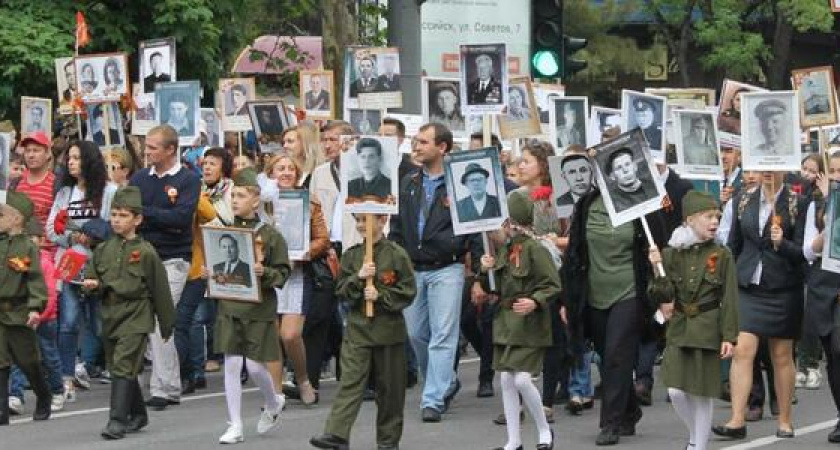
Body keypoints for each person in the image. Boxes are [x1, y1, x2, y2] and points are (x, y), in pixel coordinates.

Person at [389, 123, 482, 422]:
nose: (415, 147)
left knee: (443, 334)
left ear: (442, 148)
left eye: (423, 142)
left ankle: (432, 398)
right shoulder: (407, 182)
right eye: (415, 141)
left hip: (448, 268)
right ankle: (444, 382)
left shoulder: (459, 182)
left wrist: (480, 273)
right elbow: (397, 228)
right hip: (412, 269)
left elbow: (476, 228)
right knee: (417, 333)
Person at [563, 170, 662, 445]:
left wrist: (656, 257)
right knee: (607, 357)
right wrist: (569, 299)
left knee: (618, 354)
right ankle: (629, 410)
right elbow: (574, 252)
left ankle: (610, 423)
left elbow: (659, 237)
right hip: (595, 293)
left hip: (629, 291)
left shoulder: (637, 203)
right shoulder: (585, 204)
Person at [712, 171, 807, 441]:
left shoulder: (797, 202)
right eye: (758, 165)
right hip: (748, 286)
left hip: (784, 288)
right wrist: (728, 282)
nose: (765, 172)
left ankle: (785, 419)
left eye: (770, 167)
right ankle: (737, 419)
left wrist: (782, 243)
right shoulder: (742, 200)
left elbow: (803, 253)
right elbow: (733, 245)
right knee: (742, 350)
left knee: (781, 355)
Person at [309, 214, 417, 450]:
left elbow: (408, 291)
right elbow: (341, 290)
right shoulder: (353, 255)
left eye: (366, 220)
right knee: (350, 382)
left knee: (390, 391)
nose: (360, 226)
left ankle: (388, 441)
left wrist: (382, 296)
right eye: (357, 220)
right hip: (358, 330)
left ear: (382, 220)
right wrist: (358, 279)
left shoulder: (396, 254)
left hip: (389, 332)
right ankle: (336, 434)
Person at [78, 186, 174, 439]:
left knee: (122, 365)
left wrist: (166, 325)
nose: (117, 220)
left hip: (136, 314)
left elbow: (160, 290)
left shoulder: (146, 252)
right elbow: (92, 273)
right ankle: (139, 414)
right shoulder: (103, 249)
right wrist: (90, 285)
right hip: (110, 315)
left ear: (138, 219)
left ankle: (117, 421)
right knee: (121, 366)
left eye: (124, 215)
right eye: (115, 214)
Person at [647, 191, 739, 450]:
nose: (714, 222)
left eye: (717, 217)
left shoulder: (722, 255)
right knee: (676, 391)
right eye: (708, 216)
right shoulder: (672, 253)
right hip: (680, 327)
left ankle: (697, 445)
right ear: (689, 220)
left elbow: (730, 297)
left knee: (701, 392)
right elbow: (663, 294)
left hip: (708, 328)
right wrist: (656, 267)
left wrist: (729, 336)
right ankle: (696, 435)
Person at [208, 168, 291, 444]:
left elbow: (282, 273)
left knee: (255, 367)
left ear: (256, 200)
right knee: (231, 364)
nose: (235, 201)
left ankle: (273, 400)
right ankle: (235, 424)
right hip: (231, 306)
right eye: (234, 196)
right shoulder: (224, 230)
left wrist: (263, 272)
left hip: (258, 308)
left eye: (241, 196)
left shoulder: (269, 235)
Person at [479, 189, 560, 450]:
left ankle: (545, 432)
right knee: (505, 380)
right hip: (506, 323)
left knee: (523, 379)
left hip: (529, 324)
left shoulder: (535, 248)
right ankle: (513, 441)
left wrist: (535, 300)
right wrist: (486, 270)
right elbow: (495, 288)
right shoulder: (504, 250)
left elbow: (552, 284)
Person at [129, 125, 201, 410]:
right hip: (143, 258)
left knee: (161, 320)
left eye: (153, 147)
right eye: (146, 146)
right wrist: (158, 217)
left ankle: (164, 387)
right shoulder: (138, 178)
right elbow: (130, 216)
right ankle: (166, 382)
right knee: (147, 322)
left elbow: (181, 219)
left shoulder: (188, 180)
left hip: (174, 260)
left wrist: (145, 213)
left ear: (171, 149)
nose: (147, 152)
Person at [46, 140, 117, 401]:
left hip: (99, 265)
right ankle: (66, 379)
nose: (71, 162)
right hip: (70, 263)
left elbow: (115, 226)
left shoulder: (109, 191)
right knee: (68, 323)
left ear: (89, 160)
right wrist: (71, 237)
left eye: (77, 157)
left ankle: (118, 371)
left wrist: (95, 236)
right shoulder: (65, 193)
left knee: (101, 325)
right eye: (69, 158)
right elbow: (51, 229)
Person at [262, 153, 330, 407]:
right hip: (267, 274)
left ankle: (302, 378)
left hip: (297, 274)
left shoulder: (309, 201)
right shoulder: (261, 203)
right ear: (270, 173)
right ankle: (275, 393)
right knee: (271, 336)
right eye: (280, 168)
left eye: (291, 168)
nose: (286, 172)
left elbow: (322, 239)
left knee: (290, 335)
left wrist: (305, 251)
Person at [0, 192, 52, 426]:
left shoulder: (27, 248)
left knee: (27, 360)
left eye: (2, 214)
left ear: (17, 219)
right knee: (0, 362)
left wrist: (34, 308)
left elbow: (35, 281)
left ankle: (43, 395)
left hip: (18, 312)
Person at [800, 152, 840, 442]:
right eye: (833, 171)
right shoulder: (815, 204)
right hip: (824, 288)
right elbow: (808, 251)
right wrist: (827, 225)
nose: (836, 176)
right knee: (833, 359)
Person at [7, 219, 64, 416]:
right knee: (12, 358)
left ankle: (53, 391)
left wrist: (38, 312)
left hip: (42, 318)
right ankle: (13, 397)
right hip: (15, 315)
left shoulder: (45, 262)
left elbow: (46, 291)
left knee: (43, 358)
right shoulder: (12, 253)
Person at [605, 147, 659, 213]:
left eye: (627, 164)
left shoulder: (654, 185)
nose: (625, 170)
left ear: (635, 166)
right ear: (612, 176)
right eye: (619, 168)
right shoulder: (613, 201)